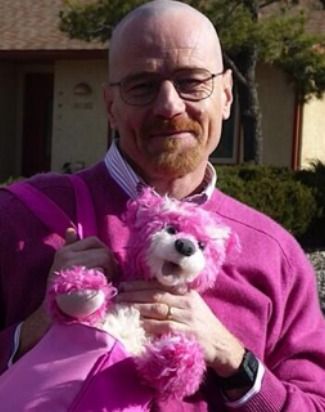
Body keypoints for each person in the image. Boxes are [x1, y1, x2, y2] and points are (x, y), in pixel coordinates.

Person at [0, 0, 325, 410]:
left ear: (226, 96)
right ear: (111, 105)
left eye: (192, 82)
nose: (169, 105)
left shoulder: (274, 255)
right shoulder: (19, 220)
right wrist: (38, 327)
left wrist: (232, 358)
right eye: (142, 85)